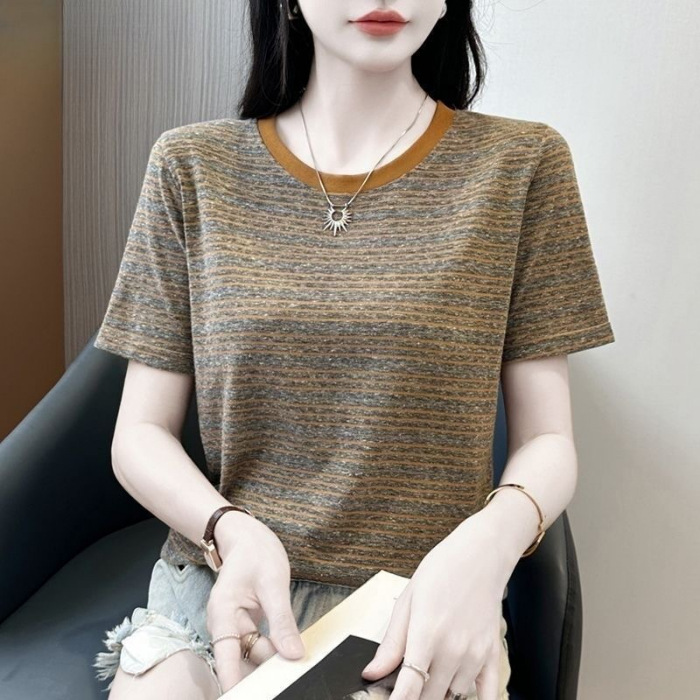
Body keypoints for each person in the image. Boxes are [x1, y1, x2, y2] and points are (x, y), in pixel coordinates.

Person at [92, 1, 615, 699]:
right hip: (223, 592)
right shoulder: (191, 166)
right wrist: (229, 530)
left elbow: (548, 438)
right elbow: (139, 434)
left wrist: (489, 545)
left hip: (417, 608)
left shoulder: (523, 164)